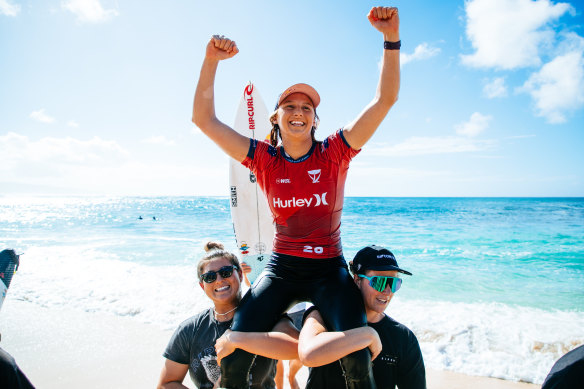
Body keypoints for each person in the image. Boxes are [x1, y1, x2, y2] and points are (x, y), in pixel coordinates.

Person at [192, 6, 400, 388]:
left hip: (329, 271)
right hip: (282, 270)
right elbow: (204, 121)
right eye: (290, 106)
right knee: (233, 356)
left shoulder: (336, 151)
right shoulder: (264, 158)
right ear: (276, 117)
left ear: (315, 120)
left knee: (356, 359)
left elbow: (384, 101)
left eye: (307, 108)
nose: (299, 112)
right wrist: (211, 61)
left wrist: (391, 40)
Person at [157, 242, 299, 389]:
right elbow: (166, 384)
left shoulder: (265, 316)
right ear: (202, 285)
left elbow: (297, 348)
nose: (219, 280)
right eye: (210, 277)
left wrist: (236, 339)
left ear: (239, 274)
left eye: (226, 272)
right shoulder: (190, 329)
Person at [299, 245, 426, 389]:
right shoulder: (321, 317)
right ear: (357, 280)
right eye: (380, 282)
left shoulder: (403, 338)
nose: (387, 291)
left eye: (393, 283)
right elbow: (308, 354)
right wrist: (368, 334)